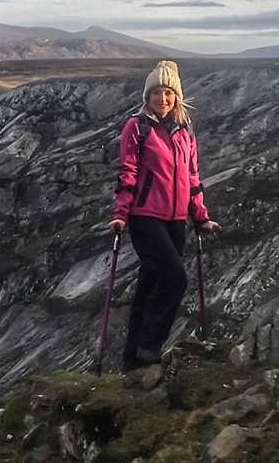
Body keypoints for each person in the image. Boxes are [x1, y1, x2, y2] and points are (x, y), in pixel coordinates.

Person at [108, 60, 220, 371]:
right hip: (145, 217)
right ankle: (150, 346)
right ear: (147, 96)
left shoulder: (185, 130)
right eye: (156, 92)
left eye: (168, 92)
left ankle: (132, 360)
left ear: (177, 96)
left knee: (149, 285)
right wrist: (121, 214)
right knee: (175, 277)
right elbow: (127, 172)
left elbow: (192, 176)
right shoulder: (137, 126)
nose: (163, 99)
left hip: (176, 220)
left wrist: (200, 218)